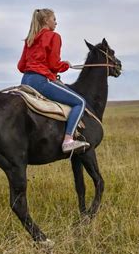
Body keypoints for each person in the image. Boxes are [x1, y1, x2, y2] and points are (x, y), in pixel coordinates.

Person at [18, 8, 90, 153]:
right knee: (80, 102)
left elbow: (21, 66)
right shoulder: (54, 36)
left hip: (25, 80)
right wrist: (65, 65)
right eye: (54, 19)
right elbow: (53, 65)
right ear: (46, 20)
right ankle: (68, 140)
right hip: (41, 80)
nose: (56, 22)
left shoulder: (30, 39)